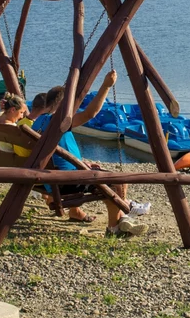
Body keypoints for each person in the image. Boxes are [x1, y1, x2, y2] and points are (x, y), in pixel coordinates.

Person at [32, 71, 148, 237]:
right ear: (65, 104)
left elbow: (58, 154)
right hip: (62, 182)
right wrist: (106, 86)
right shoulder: (57, 122)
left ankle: (123, 218)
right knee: (117, 182)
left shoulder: (40, 121)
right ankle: (115, 227)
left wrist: (82, 164)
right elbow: (90, 114)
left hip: (50, 178)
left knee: (108, 177)